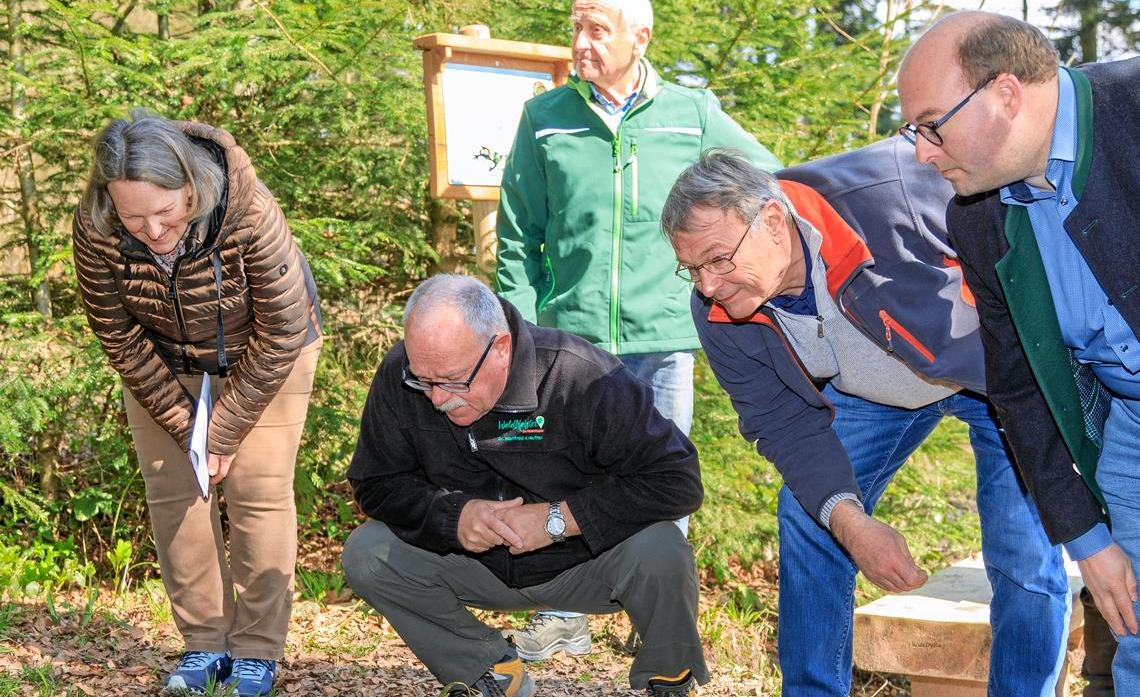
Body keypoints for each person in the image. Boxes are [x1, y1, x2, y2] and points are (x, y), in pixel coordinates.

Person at [660, 144, 1072, 696]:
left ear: (775, 222)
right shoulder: (717, 304)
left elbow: (1026, 251)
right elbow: (781, 421)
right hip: (872, 387)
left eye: (717, 260)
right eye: (692, 269)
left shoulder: (891, 201)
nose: (707, 285)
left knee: (1023, 547)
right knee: (815, 514)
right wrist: (853, 524)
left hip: (996, 375)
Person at [495, 0, 780, 659]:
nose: (581, 43)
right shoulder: (547, 118)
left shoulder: (693, 113)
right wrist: (521, 334)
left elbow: (771, 181)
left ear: (639, 38)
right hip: (570, 341)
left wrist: (732, 272)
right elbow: (516, 237)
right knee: (561, 476)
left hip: (663, 337)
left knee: (661, 481)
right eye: (576, 27)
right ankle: (564, 613)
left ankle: (658, 618)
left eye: (597, 30)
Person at [897, 10, 1139, 692]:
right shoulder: (977, 218)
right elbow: (1019, 385)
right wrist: (1085, 539)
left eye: (931, 123)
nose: (922, 151)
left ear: (1006, 94)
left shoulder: (1132, 112)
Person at [341, 274, 705, 697]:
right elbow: (375, 482)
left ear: (500, 348)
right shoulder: (402, 375)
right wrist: (452, 517)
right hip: (471, 565)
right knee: (368, 553)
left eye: (454, 381)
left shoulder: (578, 374)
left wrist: (559, 519)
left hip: (587, 563)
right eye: (424, 381)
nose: (438, 398)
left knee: (662, 549)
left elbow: (678, 478)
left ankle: (670, 678)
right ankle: (489, 672)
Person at [73, 110, 323, 696]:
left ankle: (258, 651)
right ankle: (205, 644)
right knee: (174, 493)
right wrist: (187, 426)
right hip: (161, 359)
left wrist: (223, 431)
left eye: (167, 211)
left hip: (268, 349)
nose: (154, 230)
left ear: (191, 183)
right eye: (135, 218)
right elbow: (117, 335)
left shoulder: (247, 209)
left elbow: (283, 328)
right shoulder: (96, 224)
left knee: (257, 491)